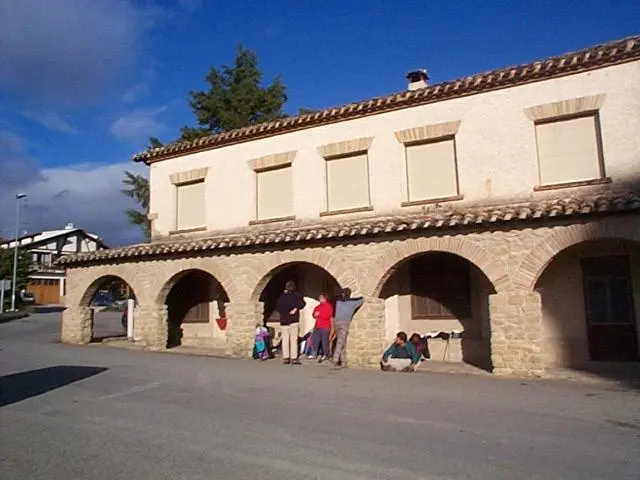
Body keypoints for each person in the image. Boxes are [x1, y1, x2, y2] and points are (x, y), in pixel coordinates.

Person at [274, 280, 306, 365]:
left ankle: (286, 357)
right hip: (293, 320)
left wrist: (283, 312)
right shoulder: (296, 295)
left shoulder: (282, 297)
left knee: (285, 339)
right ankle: (294, 357)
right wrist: (296, 308)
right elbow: (302, 303)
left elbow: (277, 307)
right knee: (293, 339)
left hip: (284, 320)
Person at [331, 288, 364, 369]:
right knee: (340, 342)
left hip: (336, 322)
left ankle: (344, 362)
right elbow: (362, 299)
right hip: (345, 323)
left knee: (342, 342)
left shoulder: (338, 301)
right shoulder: (352, 303)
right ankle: (335, 359)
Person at [309, 293, 333, 362]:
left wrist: (319, 314)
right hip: (317, 326)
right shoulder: (318, 306)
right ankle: (314, 354)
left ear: (325, 298)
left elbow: (328, 315)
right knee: (315, 340)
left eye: (321, 297)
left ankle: (325, 354)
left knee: (324, 341)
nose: (320, 299)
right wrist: (315, 314)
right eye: (319, 298)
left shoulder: (328, 306)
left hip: (325, 326)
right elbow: (314, 313)